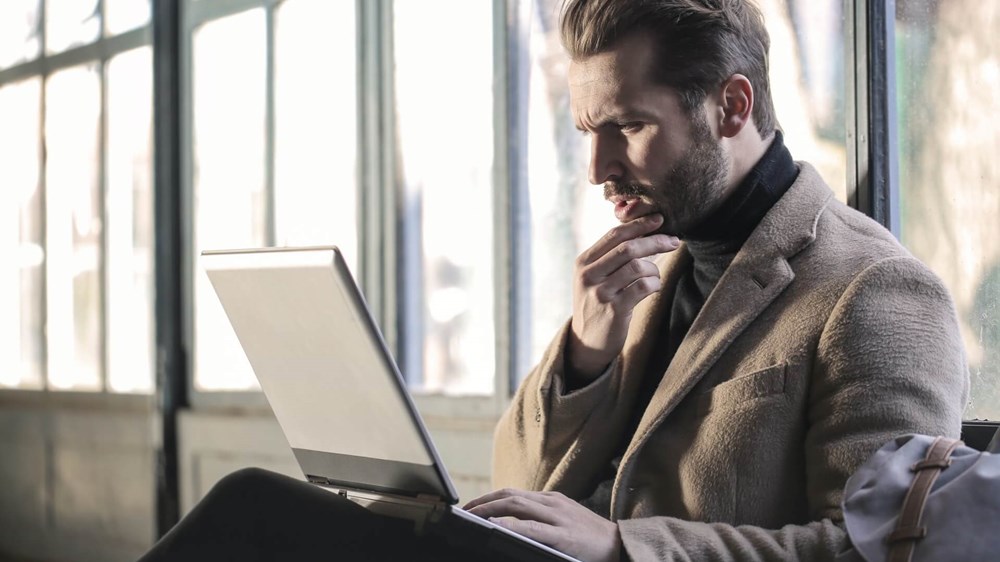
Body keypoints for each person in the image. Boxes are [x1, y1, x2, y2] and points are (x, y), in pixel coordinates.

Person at [139, 1, 969, 561]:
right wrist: (585, 355)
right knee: (262, 512)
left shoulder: (876, 291)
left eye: (629, 127)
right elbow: (520, 485)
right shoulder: (648, 266)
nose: (599, 168)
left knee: (255, 512)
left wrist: (621, 549)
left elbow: (876, 548)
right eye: (587, 132)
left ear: (732, 105)